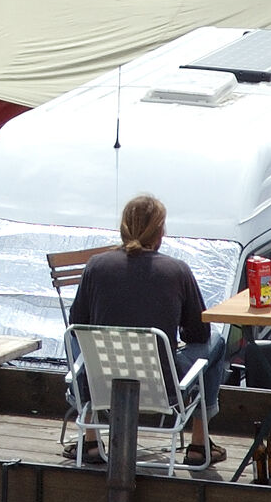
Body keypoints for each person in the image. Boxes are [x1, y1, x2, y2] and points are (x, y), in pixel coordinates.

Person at [66, 195, 223, 457]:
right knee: (216, 341)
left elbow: (78, 321)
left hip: (104, 383)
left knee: (78, 339)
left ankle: (91, 440)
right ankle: (199, 443)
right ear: (160, 232)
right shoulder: (177, 271)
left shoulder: (96, 266)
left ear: (123, 227)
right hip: (162, 386)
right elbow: (199, 333)